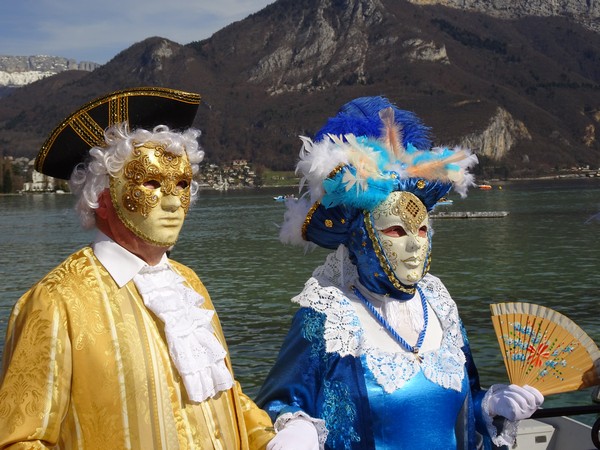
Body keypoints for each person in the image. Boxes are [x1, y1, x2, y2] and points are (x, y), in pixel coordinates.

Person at [256, 96, 543, 449]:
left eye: (421, 231)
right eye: (395, 231)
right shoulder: (330, 314)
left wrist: (491, 405)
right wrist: (294, 428)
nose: (414, 246)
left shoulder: (438, 305)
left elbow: (460, 405)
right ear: (361, 238)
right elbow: (277, 404)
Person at [0, 87, 274, 449]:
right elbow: (20, 440)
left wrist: (271, 439)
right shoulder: (56, 303)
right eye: (150, 183)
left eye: (182, 184)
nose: (174, 202)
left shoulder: (188, 284)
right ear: (100, 195)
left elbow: (219, 393)